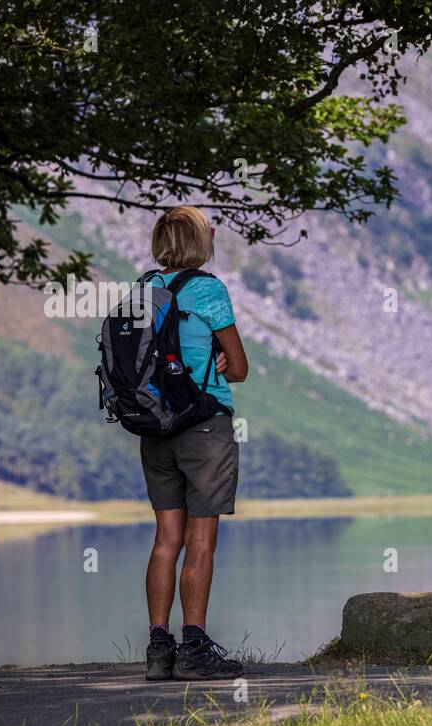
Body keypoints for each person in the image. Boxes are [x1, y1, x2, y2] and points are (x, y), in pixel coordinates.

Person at [139, 206, 249, 681]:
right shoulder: (208, 289)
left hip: (155, 427)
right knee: (201, 539)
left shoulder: (142, 289)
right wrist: (221, 358)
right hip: (204, 427)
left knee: (166, 540)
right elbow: (240, 367)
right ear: (199, 243)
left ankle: (158, 649)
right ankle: (195, 647)